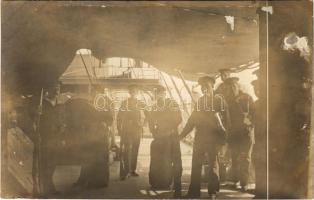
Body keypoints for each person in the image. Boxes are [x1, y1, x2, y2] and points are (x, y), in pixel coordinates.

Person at [179, 76, 229, 198]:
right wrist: (181, 135)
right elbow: (192, 120)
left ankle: (212, 192)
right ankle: (194, 192)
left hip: (213, 139)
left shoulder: (219, 101)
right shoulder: (200, 102)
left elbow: (227, 121)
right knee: (196, 164)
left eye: (206, 87)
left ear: (212, 87)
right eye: (202, 88)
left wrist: (224, 139)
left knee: (212, 165)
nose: (204, 90)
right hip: (200, 138)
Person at [148, 85, 183, 197]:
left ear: (165, 94)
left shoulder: (172, 104)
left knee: (176, 161)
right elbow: (150, 121)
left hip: (172, 136)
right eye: (157, 94)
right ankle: (160, 182)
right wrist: (154, 133)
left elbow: (179, 119)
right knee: (160, 161)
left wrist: (169, 129)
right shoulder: (154, 107)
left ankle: (177, 186)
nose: (159, 95)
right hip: (160, 138)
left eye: (161, 93)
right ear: (155, 95)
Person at [222, 77, 255, 191]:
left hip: (245, 133)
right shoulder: (227, 101)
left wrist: (250, 120)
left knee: (245, 158)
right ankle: (233, 182)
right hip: (233, 134)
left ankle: (244, 184)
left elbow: (254, 113)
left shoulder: (246, 98)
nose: (231, 89)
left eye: (233, 86)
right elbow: (225, 118)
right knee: (234, 158)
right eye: (228, 88)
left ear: (238, 87)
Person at [35, 82, 64, 196]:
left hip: (55, 138)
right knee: (46, 163)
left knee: (53, 163)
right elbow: (41, 123)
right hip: (46, 137)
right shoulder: (44, 105)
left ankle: (49, 185)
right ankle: (45, 188)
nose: (57, 91)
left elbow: (59, 120)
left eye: (58, 88)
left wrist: (61, 127)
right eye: (55, 88)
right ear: (49, 90)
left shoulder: (56, 105)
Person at [117, 84, 146, 180]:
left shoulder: (140, 103)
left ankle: (132, 170)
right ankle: (126, 171)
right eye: (132, 91)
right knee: (127, 151)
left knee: (135, 150)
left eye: (135, 91)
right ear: (129, 93)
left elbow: (147, 114)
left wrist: (143, 124)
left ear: (137, 93)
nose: (133, 93)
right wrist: (119, 129)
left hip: (136, 130)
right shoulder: (124, 103)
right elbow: (119, 117)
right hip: (126, 130)